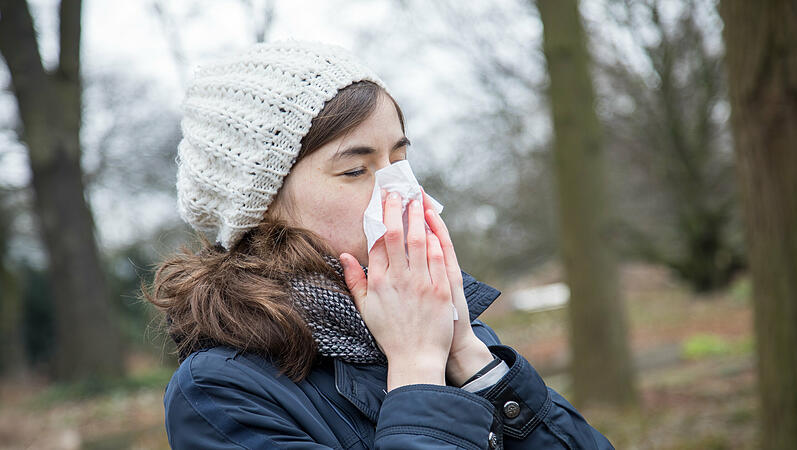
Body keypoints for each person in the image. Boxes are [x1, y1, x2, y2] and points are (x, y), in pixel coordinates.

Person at [145, 39, 614, 449]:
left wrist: (470, 359)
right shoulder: (219, 392)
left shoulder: (439, 327)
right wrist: (415, 369)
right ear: (263, 204)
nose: (402, 191)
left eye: (400, 160)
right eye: (355, 169)